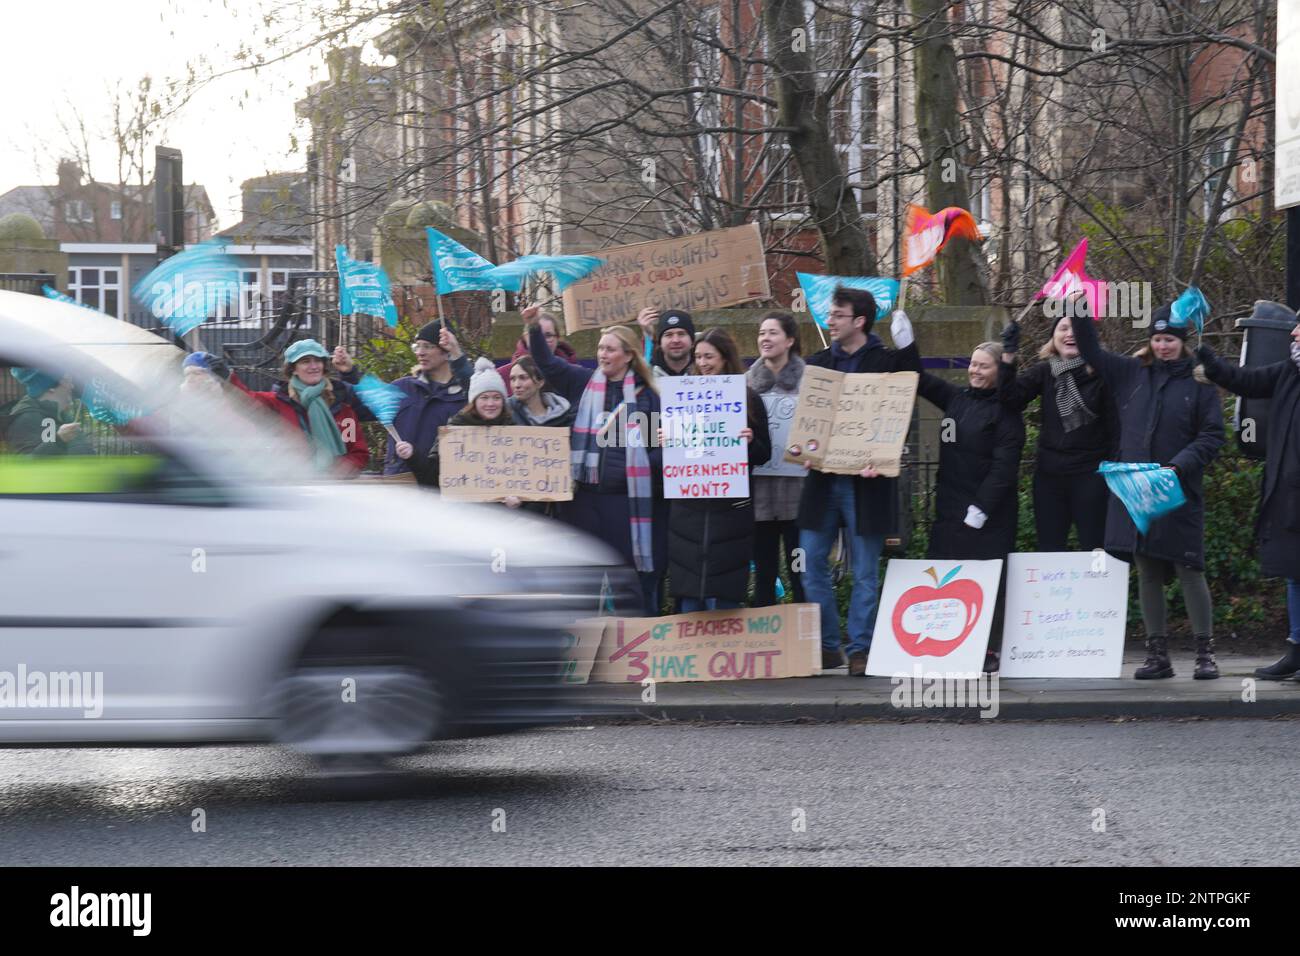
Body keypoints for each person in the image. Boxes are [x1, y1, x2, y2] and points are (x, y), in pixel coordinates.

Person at [1070, 299, 1225, 679]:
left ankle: (1205, 654)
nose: (1163, 346)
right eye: (1157, 338)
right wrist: (1078, 309)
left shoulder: (1201, 382)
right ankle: (1158, 656)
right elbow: (1090, 350)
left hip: (1178, 490)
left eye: (1170, 339)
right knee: (1148, 571)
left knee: (1189, 567)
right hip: (1135, 490)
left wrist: (1178, 466)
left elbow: (1212, 436)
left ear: (1183, 342)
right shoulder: (1130, 373)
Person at [799, 285, 919, 676]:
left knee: (865, 571)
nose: (829, 321)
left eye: (837, 315)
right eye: (830, 315)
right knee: (811, 562)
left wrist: (880, 455)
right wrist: (805, 449)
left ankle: (859, 649)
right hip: (823, 481)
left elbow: (903, 406)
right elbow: (809, 420)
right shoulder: (818, 363)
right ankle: (829, 645)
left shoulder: (885, 363)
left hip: (866, 484)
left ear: (860, 321)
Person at [526, 305, 667, 615]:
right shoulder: (583, 383)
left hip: (625, 503)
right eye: (601, 348)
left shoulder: (647, 396)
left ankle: (637, 643)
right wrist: (534, 327)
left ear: (628, 355)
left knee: (627, 582)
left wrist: (655, 452)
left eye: (610, 349)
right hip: (584, 501)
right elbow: (546, 363)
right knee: (585, 578)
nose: (603, 354)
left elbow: (657, 450)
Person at [1195, 302, 1300, 680]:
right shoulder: (1290, 371)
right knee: (1294, 572)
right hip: (1288, 493)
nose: (1292, 333)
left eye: (1299, 329)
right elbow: (1245, 380)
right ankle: (1296, 650)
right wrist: (1206, 354)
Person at [918, 342, 1027, 673]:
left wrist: (981, 508)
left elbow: (1003, 469)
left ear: (1000, 371)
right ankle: (947, 642)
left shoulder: (1008, 415)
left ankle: (990, 648)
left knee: (988, 583)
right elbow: (919, 379)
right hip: (950, 508)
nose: (975, 371)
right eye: (973, 364)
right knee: (946, 579)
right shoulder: (956, 398)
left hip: (988, 515)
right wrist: (908, 342)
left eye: (984, 366)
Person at [665, 328, 771, 612]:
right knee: (689, 596)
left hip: (730, 510)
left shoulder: (749, 398)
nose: (702, 363)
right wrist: (664, 441)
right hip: (689, 508)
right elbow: (671, 454)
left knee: (724, 598)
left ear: (725, 358)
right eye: (698, 356)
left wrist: (749, 442)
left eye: (709, 356)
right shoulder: (681, 399)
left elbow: (764, 454)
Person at [998, 305, 1118, 551]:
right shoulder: (1045, 372)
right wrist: (1008, 355)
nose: (1069, 334)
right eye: (1063, 328)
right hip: (1050, 477)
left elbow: (1116, 428)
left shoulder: (1105, 374)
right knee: (1049, 548)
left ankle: (1096, 590)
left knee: (1095, 547)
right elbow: (1010, 399)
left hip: (1091, 475)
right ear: (1054, 337)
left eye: (1076, 328)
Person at [341, 321, 471, 486]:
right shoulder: (402, 388)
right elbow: (361, 405)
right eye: (418, 346)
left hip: (446, 486)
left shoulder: (465, 394)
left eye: (428, 346)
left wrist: (458, 356)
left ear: (447, 352)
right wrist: (349, 373)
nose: (421, 352)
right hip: (401, 484)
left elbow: (487, 399)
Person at [236, 339, 371, 477]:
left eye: (318, 360)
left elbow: (359, 453)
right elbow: (243, 399)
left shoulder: (342, 405)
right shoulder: (277, 402)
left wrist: (339, 470)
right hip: (292, 486)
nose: (314, 366)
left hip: (336, 488)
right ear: (293, 369)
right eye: (305, 361)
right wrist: (224, 376)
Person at [746, 311, 807, 607]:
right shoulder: (744, 385)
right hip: (759, 497)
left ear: (790, 340)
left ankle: (808, 641)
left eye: (772, 333)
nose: (765, 339)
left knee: (802, 574)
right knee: (764, 576)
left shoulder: (811, 383)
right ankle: (766, 644)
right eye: (761, 333)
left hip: (800, 496)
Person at [420, 357, 524, 508]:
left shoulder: (513, 431)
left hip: (503, 518)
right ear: (474, 401)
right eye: (484, 398)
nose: (490, 404)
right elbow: (432, 473)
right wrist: (412, 456)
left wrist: (519, 498)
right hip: (464, 514)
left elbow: (524, 477)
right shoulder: (455, 430)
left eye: (496, 398)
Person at [6, 368, 93, 456]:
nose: (71, 386)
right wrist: (59, 440)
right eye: (66, 380)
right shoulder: (25, 419)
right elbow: (25, 466)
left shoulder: (63, 416)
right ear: (50, 387)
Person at [497, 311, 579, 395]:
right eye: (534, 334)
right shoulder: (501, 377)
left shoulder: (574, 374)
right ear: (525, 337)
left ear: (557, 338)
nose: (541, 340)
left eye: (548, 335)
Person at [508, 355, 575, 428]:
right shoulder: (505, 413)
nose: (516, 385)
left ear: (540, 382)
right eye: (512, 379)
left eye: (523, 378)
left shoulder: (565, 416)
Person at [635, 307, 696, 377]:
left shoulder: (705, 369)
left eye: (681, 334)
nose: (675, 340)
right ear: (660, 342)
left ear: (692, 341)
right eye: (669, 335)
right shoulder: (646, 372)